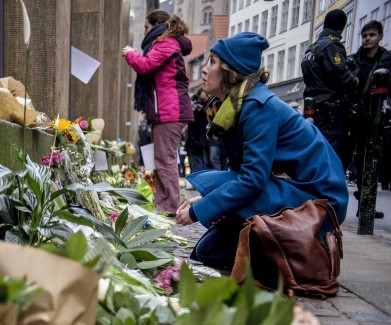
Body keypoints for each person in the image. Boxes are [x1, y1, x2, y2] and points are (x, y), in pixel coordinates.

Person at [175, 32, 349, 270]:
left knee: (216, 251)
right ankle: (273, 251)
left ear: (230, 72)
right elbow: (246, 174)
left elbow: (252, 179)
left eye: (212, 62)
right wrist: (206, 200)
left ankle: (292, 252)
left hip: (318, 202)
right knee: (209, 251)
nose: (204, 70)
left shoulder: (258, 107)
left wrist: (198, 211)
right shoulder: (238, 105)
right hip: (290, 189)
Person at [123, 10, 194, 215]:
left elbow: (145, 65)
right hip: (167, 110)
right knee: (164, 159)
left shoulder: (166, 43)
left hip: (168, 110)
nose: (145, 32)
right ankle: (163, 203)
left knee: (165, 160)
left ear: (156, 25)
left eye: (146, 27)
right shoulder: (168, 43)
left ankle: (170, 206)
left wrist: (130, 53)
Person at [348, 20, 391, 192]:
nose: (367, 39)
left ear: (380, 36)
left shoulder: (389, 62)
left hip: (376, 116)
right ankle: (358, 197)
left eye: (372, 35)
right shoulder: (355, 62)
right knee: (351, 156)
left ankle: (366, 200)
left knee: (370, 157)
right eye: (364, 36)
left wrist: (385, 109)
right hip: (356, 113)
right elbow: (349, 86)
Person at [301, 9, 359, 170]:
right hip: (330, 108)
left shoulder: (311, 48)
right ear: (342, 27)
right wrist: (355, 78)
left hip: (313, 106)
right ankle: (328, 191)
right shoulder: (331, 46)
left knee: (314, 149)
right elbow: (342, 77)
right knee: (330, 153)